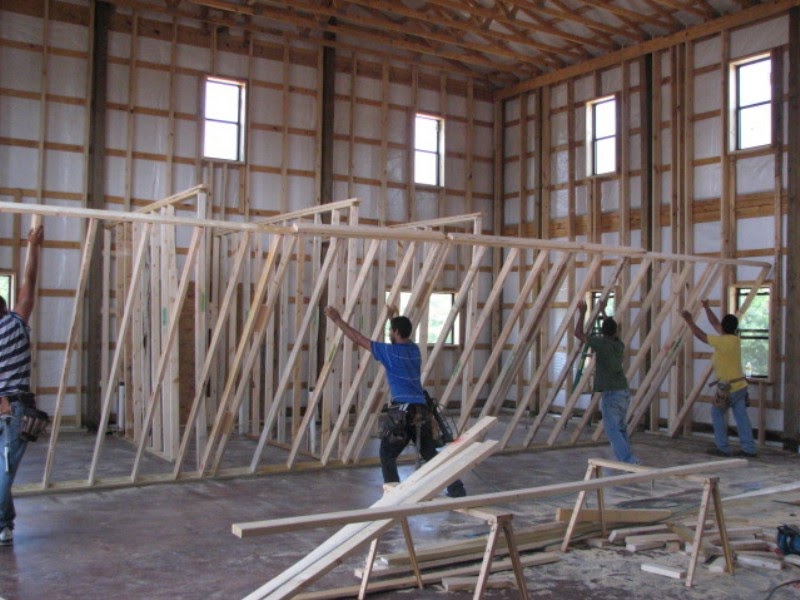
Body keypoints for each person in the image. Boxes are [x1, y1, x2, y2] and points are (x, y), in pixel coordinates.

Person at [323, 305, 467, 497]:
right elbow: (397, 337)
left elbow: (357, 338)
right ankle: (457, 489)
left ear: (397, 332)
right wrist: (392, 318)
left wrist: (337, 319)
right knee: (430, 454)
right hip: (421, 410)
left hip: (402, 412)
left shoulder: (389, 352)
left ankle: (393, 495)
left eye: (391, 330)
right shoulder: (414, 351)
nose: (389, 333)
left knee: (387, 453)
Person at [0, 225, 44, 546]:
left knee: (2, 467)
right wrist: (33, 246)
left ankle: (5, 524)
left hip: (7, 406)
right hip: (13, 408)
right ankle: (2, 524)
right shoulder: (14, 326)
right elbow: (28, 287)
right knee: (4, 469)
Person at [681, 300, 757, 458]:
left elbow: (701, 336)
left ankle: (723, 447)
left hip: (728, 388)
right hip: (740, 385)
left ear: (723, 328)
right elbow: (715, 323)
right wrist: (707, 308)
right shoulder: (734, 339)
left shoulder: (722, 341)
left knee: (717, 413)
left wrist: (689, 321)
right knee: (741, 417)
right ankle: (749, 448)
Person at [574, 299, 639, 464]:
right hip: (623, 392)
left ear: (603, 332)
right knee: (621, 428)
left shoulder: (601, 344)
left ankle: (628, 460)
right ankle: (628, 459)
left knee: (612, 430)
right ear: (616, 332)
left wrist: (582, 313)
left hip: (611, 394)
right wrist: (603, 311)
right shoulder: (619, 345)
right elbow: (611, 329)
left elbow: (578, 333)